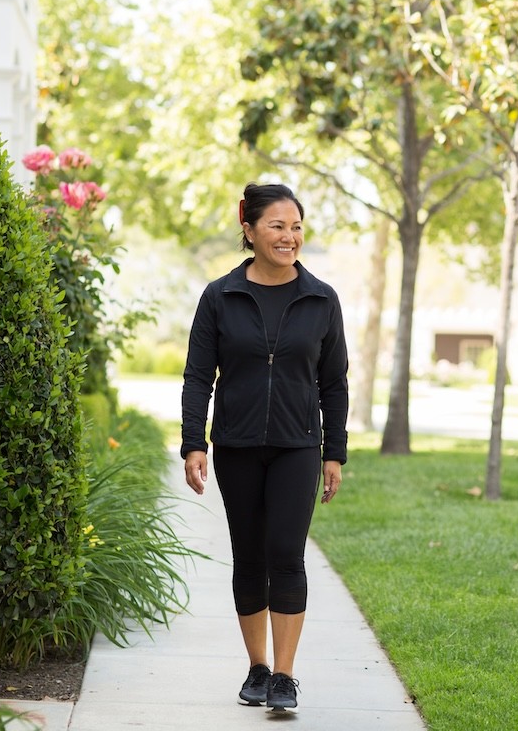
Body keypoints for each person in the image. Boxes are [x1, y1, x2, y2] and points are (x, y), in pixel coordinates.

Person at [180, 182, 348, 714]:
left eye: (295, 226)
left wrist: (333, 452)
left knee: (286, 554)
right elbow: (198, 375)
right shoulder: (220, 296)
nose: (289, 236)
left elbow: (335, 383)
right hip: (237, 444)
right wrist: (193, 442)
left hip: (298, 446)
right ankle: (256, 668)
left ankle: (285, 675)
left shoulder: (321, 299)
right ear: (248, 229)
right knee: (249, 557)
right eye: (277, 226)